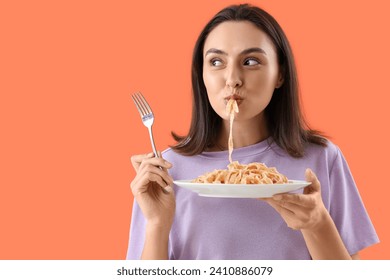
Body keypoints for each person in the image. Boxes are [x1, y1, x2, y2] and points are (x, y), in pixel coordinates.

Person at [127, 4, 379, 260]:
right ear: (201, 75)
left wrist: (317, 224)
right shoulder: (165, 170)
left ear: (280, 73)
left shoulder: (322, 159)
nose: (232, 78)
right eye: (216, 62)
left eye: (250, 61)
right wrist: (158, 225)